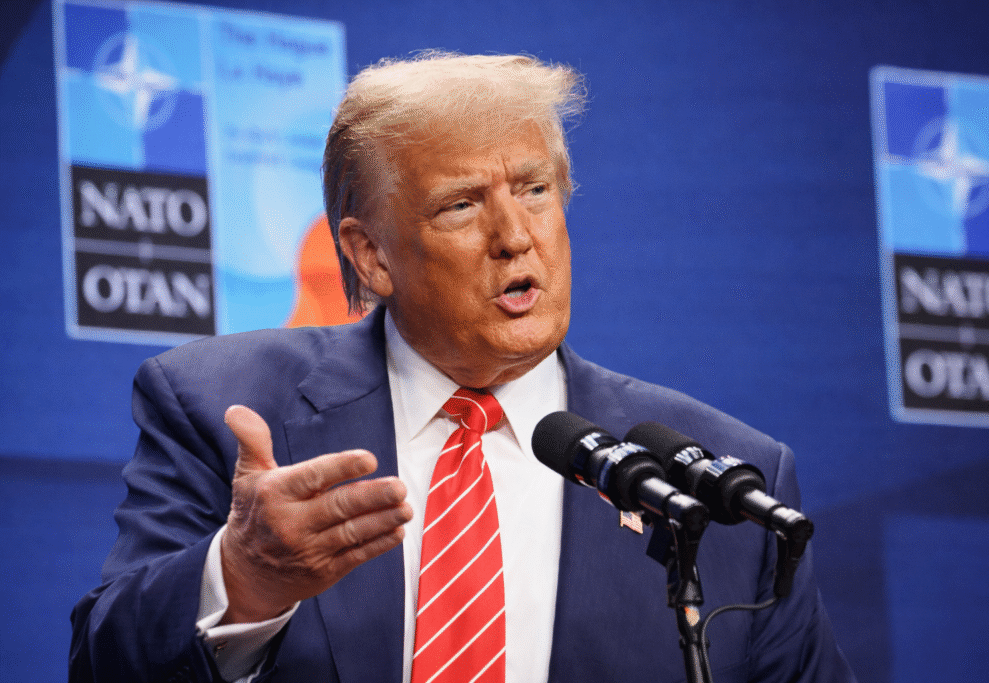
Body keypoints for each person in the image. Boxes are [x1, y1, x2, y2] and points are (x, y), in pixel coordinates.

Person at [69, 52, 856, 683]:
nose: (516, 235)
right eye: (462, 205)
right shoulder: (223, 405)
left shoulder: (725, 485)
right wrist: (243, 578)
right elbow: (101, 665)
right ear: (371, 255)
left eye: (536, 190)